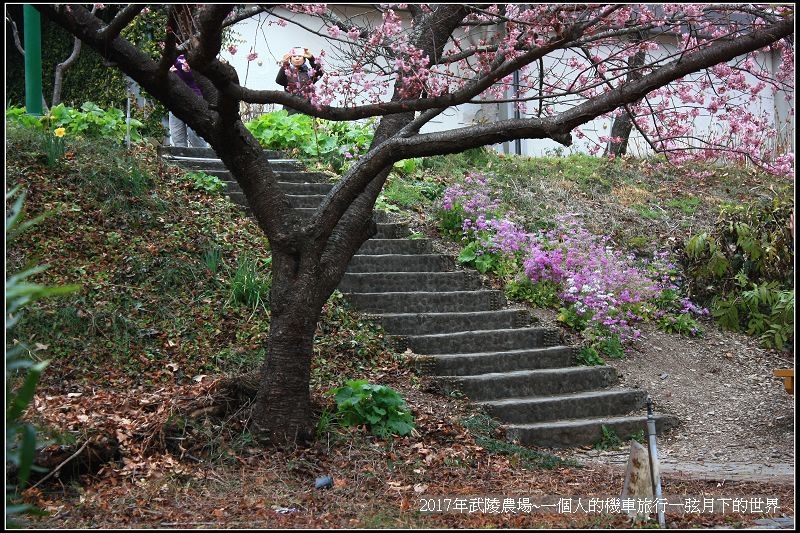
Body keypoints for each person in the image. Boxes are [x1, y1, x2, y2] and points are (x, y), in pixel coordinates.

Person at [168, 54, 208, 148]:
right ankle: (182, 161)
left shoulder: (196, 56)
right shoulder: (172, 57)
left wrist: (186, 69)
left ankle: (203, 159)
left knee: (194, 134)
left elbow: (194, 76)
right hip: (175, 98)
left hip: (194, 98)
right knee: (177, 136)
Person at [275, 47, 323, 115]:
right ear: (290, 59)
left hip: (307, 108)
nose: (297, 58)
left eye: (300, 56)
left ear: (304, 59)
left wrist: (311, 58)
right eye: (294, 56)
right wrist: (285, 64)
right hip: (290, 109)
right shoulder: (287, 72)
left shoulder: (309, 73)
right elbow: (279, 80)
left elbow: (320, 72)